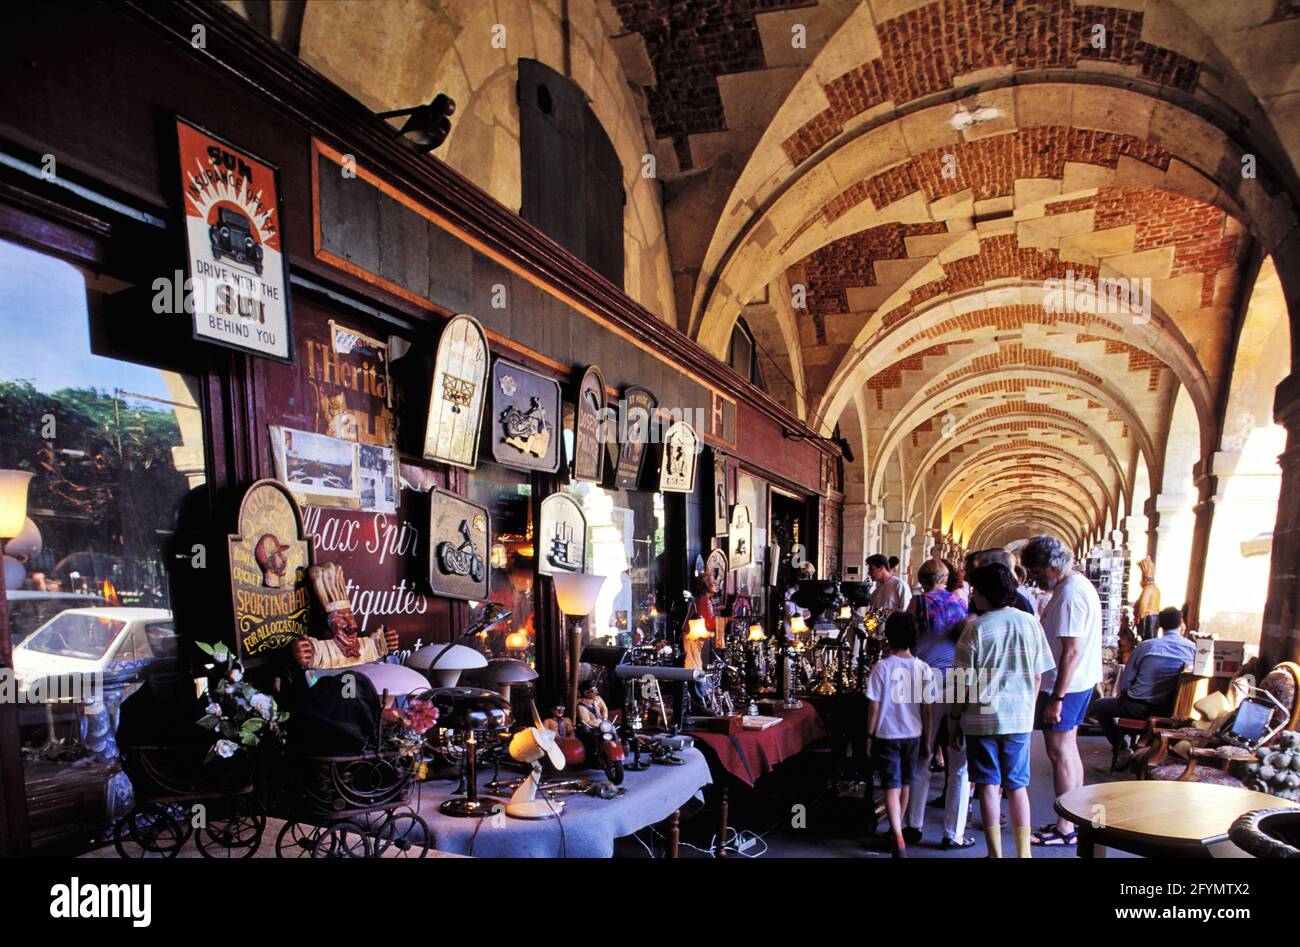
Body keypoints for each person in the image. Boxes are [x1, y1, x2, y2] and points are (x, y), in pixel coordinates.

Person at [950, 563, 1055, 858]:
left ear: (985, 593)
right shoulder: (1030, 623)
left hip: (982, 718)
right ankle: (1024, 854)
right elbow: (1038, 675)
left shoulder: (975, 630)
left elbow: (961, 684)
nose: (973, 594)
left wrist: (955, 719)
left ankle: (995, 854)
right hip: (1019, 716)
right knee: (1018, 785)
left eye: (976, 589)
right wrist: (1028, 709)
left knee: (987, 785)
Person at [1020, 534, 1102, 847]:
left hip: (1066, 685)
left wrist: (1057, 698)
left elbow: (1070, 651)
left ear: (1054, 566)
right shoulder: (1075, 585)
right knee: (1068, 749)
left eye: (1038, 571)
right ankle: (1074, 818)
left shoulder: (1069, 594)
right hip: (1077, 683)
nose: (1035, 578)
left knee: (1059, 752)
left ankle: (1065, 827)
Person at [904, 558, 972, 848]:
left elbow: (906, 639)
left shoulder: (916, 604)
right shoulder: (960, 604)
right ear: (945, 578)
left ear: (921, 578)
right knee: (958, 760)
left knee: (922, 751)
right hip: (955, 679)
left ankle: (913, 825)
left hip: (923, 679)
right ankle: (952, 834)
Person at [866, 611, 935, 858]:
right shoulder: (924, 668)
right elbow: (928, 709)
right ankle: (899, 831)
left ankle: (896, 835)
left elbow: (874, 706)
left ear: (889, 636)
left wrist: (869, 735)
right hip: (913, 735)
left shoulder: (882, 667)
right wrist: (928, 740)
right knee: (906, 783)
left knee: (891, 786)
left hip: (887, 735)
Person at [1092, 606, 1195, 769]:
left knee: (1099, 705)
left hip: (1137, 708)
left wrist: (1126, 695)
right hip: (1170, 711)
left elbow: (1126, 681)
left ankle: (1123, 750)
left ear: (1160, 624)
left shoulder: (1147, 646)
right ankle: (1150, 747)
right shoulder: (1192, 649)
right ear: (1181, 623)